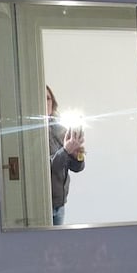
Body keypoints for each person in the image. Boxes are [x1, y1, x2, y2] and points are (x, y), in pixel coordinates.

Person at [46, 85, 85, 225]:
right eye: (42, 98)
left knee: (57, 245)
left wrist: (77, 155)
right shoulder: (32, 134)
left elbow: (77, 168)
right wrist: (66, 151)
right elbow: (46, 168)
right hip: (42, 206)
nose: (45, 102)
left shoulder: (61, 130)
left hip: (60, 204)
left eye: (48, 98)